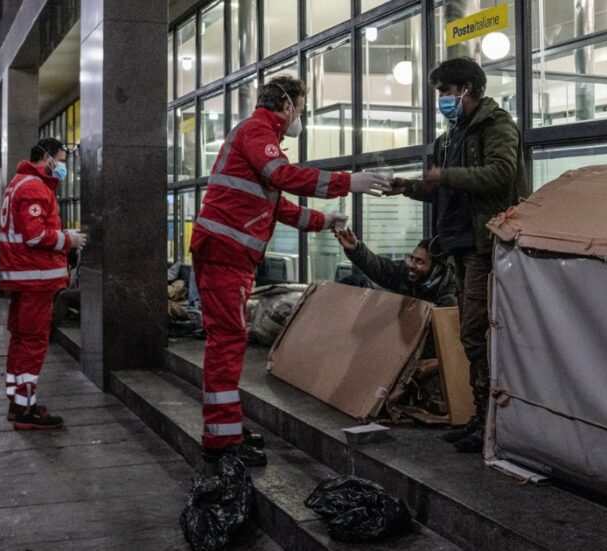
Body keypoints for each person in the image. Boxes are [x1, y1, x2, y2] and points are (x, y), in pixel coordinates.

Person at [191, 75, 391, 466]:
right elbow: (283, 177)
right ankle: (220, 440)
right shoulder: (256, 131)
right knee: (227, 341)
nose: (301, 114)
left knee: (228, 341)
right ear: (287, 105)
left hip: (227, 253)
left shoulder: (256, 137)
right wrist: (347, 182)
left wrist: (325, 221)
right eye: (302, 106)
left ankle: (225, 430)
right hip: (224, 252)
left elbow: (276, 206)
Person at [386, 57, 528, 452]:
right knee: (472, 335)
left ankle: (489, 419)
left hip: (486, 245)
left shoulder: (495, 126)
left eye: (445, 93)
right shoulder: (451, 136)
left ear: (466, 89)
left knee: (476, 332)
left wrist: (444, 176)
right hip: (461, 246)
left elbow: (501, 173)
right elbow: (440, 188)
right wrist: (406, 186)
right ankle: (479, 416)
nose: (442, 101)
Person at [0, 137, 86, 430]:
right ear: (47, 157)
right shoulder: (34, 187)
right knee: (33, 342)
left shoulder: (17, 183)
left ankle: (18, 401)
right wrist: (68, 240)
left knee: (20, 339)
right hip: (34, 277)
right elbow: (35, 237)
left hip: (21, 276)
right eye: (61, 160)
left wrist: (59, 233)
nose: (62, 166)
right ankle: (25, 411)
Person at [334, 229, 457, 307]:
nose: (411, 265)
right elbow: (379, 267)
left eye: (419, 261)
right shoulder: (404, 272)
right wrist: (355, 249)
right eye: (412, 258)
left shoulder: (449, 297)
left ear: (436, 269)